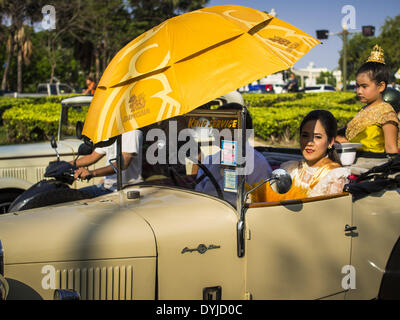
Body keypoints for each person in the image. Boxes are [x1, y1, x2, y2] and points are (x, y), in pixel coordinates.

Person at [251, 110, 350, 202]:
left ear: (331, 142)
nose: (309, 142)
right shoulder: (289, 169)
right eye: (305, 136)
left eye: (317, 137)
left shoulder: (335, 176)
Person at [194, 103, 272, 206]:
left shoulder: (257, 164)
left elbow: (260, 204)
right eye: (216, 126)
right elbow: (197, 192)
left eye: (223, 126)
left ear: (241, 131)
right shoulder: (210, 160)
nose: (216, 131)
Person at [336, 45, 399, 154]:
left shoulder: (387, 113)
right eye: (357, 86)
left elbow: (391, 149)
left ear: (381, 86)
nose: (359, 91)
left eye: (364, 86)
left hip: (375, 168)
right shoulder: (363, 110)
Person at [71, 130, 143, 197]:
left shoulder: (132, 132)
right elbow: (92, 157)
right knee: (72, 195)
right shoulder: (110, 133)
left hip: (125, 189)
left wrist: (92, 173)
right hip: (108, 187)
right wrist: (65, 164)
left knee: (73, 200)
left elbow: (123, 163)